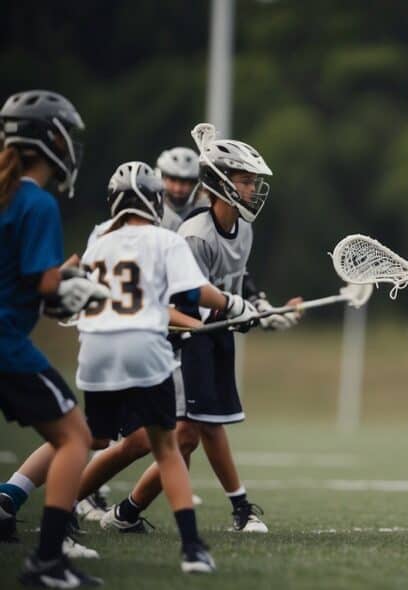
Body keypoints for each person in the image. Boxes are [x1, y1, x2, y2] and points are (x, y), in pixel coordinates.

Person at [102, 124, 301, 535]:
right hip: (182, 340)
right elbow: (180, 306)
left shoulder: (244, 228)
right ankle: (237, 510)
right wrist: (234, 313)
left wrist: (260, 307)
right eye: (246, 182)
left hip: (213, 337)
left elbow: (235, 282)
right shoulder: (194, 236)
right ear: (223, 185)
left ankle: (127, 512)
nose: (253, 190)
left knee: (196, 432)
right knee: (189, 432)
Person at [77, 161, 260, 571]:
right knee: (173, 444)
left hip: (97, 352)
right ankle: (192, 547)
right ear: (156, 200)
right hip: (148, 351)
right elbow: (190, 295)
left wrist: (240, 306)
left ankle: (33, 505)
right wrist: (232, 307)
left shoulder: (97, 241)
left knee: (87, 441)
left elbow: (78, 297)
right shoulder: (169, 240)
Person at [0, 89, 106, 587]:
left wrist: (64, 277)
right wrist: (78, 288)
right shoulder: (36, 202)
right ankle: (48, 560)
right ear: (52, 139)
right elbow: (45, 287)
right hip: (5, 343)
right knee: (76, 437)